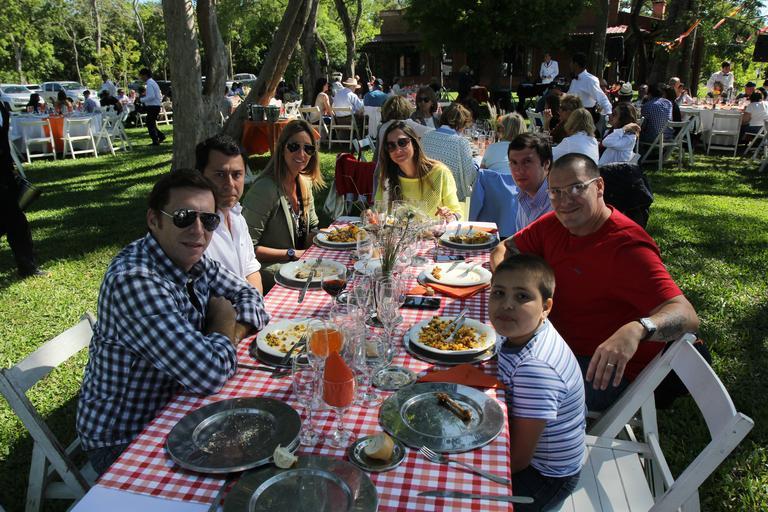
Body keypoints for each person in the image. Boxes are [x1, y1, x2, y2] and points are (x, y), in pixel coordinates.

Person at [76, 169, 270, 475]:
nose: (198, 230)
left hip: (179, 402)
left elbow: (250, 296)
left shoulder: (192, 259)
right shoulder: (135, 281)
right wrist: (222, 320)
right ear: (154, 220)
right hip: (126, 437)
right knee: (244, 471)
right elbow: (208, 375)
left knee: (266, 443)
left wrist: (231, 331)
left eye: (208, 220)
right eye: (183, 217)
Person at [491, 154, 700, 410]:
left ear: (599, 186)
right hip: (552, 342)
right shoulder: (555, 223)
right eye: (556, 192)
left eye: (576, 188)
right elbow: (504, 247)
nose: (565, 201)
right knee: (481, 354)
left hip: (606, 370)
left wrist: (637, 329)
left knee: (500, 388)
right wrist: (505, 283)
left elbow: (687, 315)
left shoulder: (628, 248)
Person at [490, 254, 585, 510]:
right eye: (498, 293)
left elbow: (519, 459)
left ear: (546, 306)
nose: (507, 305)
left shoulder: (535, 368)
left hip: (544, 477)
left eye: (522, 296)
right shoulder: (524, 329)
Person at [241, 120, 322, 292]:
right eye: (294, 146)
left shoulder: (304, 183)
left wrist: (327, 237)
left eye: (308, 148)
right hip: (268, 271)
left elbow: (312, 229)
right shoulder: (265, 189)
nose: (302, 153)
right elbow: (247, 248)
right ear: (282, 148)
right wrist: (292, 253)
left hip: (299, 266)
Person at [196, 134, 263, 294]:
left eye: (237, 174)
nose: (230, 184)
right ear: (200, 175)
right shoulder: (194, 228)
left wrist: (256, 303)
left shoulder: (237, 216)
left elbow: (251, 269)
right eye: (220, 175)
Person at [374, 121, 461, 220]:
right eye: (391, 146)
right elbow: (378, 211)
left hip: (432, 229)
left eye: (402, 143)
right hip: (396, 230)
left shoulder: (440, 172)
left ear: (414, 144)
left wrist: (449, 215)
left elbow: (457, 212)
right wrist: (372, 215)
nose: (397, 150)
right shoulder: (387, 176)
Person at [0, 100, 47, 278]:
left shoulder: (2, 105)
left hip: (5, 174)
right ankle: (27, 265)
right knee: (14, 220)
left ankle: (27, 265)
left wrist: (9, 167)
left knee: (15, 221)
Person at [421, 103, 477, 203]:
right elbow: (470, 176)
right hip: (453, 197)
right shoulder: (461, 142)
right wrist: (476, 165)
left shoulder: (425, 136)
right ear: (462, 124)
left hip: (427, 192)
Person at [508, 133, 553, 233]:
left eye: (527, 162)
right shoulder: (524, 195)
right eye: (514, 163)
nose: (519, 171)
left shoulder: (558, 203)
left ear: (546, 164)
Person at [567, 52, 612, 124]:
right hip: (573, 115)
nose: (570, 65)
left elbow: (601, 97)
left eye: (571, 63)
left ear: (576, 64)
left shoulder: (590, 80)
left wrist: (609, 113)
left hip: (584, 117)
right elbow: (570, 96)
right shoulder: (574, 80)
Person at [139, 67, 166, 145]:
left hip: (153, 106)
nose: (141, 78)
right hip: (155, 106)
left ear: (145, 75)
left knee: (150, 124)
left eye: (141, 76)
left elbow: (151, 96)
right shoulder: (152, 82)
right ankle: (161, 136)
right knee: (151, 123)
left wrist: (141, 100)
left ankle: (155, 140)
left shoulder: (150, 83)